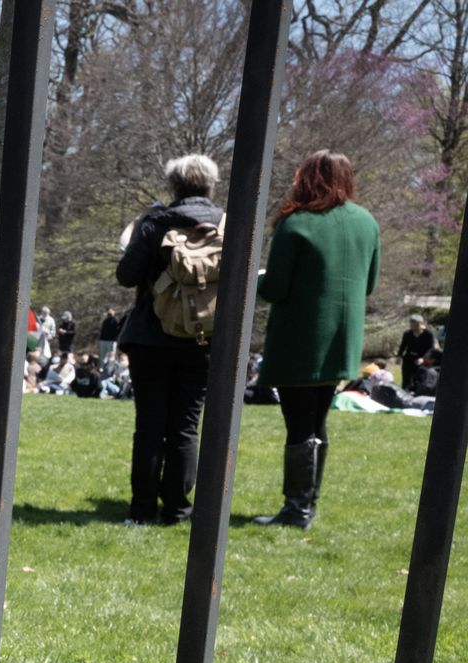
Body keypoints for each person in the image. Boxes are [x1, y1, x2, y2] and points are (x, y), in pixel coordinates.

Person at [250, 150, 380, 529]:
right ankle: (308, 503)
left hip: (300, 338)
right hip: (343, 339)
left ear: (306, 178)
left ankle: (297, 508)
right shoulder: (367, 222)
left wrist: (254, 276)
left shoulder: (297, 223)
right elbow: (369, 284)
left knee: (299, 424)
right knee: (317, 421)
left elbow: (274, 288)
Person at [116, 154, 224, 525]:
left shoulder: (155, 222)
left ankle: (142, 511)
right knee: (185, 426)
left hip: (151, 336)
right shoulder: (230, 222)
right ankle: (177, 509)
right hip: (203, 339)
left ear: (173, 186)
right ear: (211, 186)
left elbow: (126, 276)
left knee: (149, 426)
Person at [398, 314, 436, 390]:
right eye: (411, 323)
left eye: (414, 324)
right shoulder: (407, 334)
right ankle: (404, 394)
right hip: (408, 358)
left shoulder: (428, 335)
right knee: (406, 379)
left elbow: (431, 349)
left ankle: (416, 394)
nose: (412, 326)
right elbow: (403, 346)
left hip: (421, 359)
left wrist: (423, 358)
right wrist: (399, 356)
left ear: (420, 324)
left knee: (419, 379)